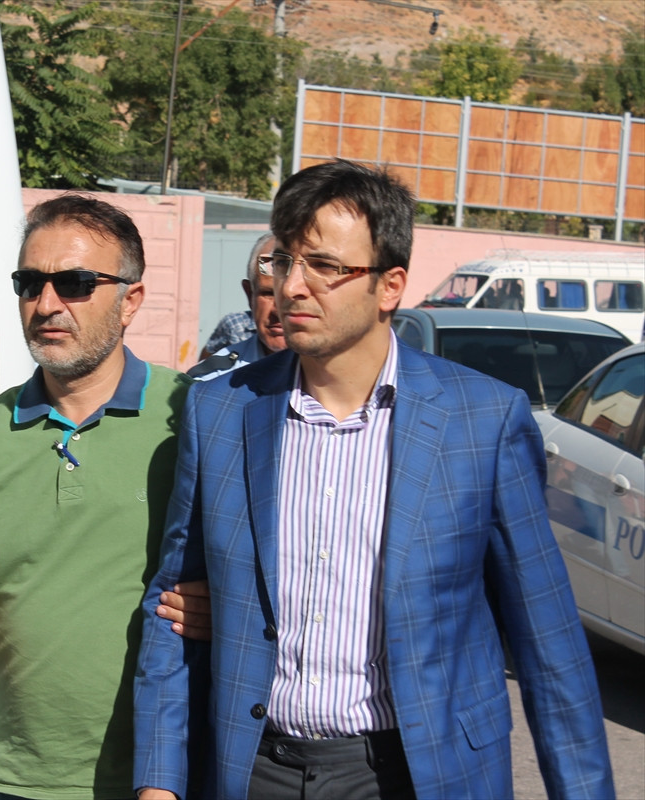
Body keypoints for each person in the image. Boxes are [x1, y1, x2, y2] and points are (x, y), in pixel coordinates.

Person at [134, 159, 614, 800]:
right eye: (284, 262)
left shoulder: (482, 422)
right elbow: (171, 605)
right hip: (253, 768)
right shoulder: (221, 410)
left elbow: (548, 644)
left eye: (324, 267)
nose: (292, 287)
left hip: (415, 773)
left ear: (390, 287)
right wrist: (159, 782)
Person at [0, 193, 194, 800]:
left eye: (76, 283)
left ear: (131, 300)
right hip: (15, 780)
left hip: (163, 780)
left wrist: (229, 605)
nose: (47, 304)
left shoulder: (192, 418)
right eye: (30, 283)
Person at [187, 233, 284, 381]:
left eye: (293, 297)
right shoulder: (209, 382)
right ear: (249, 294)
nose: (279, 311)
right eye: (268, 293)